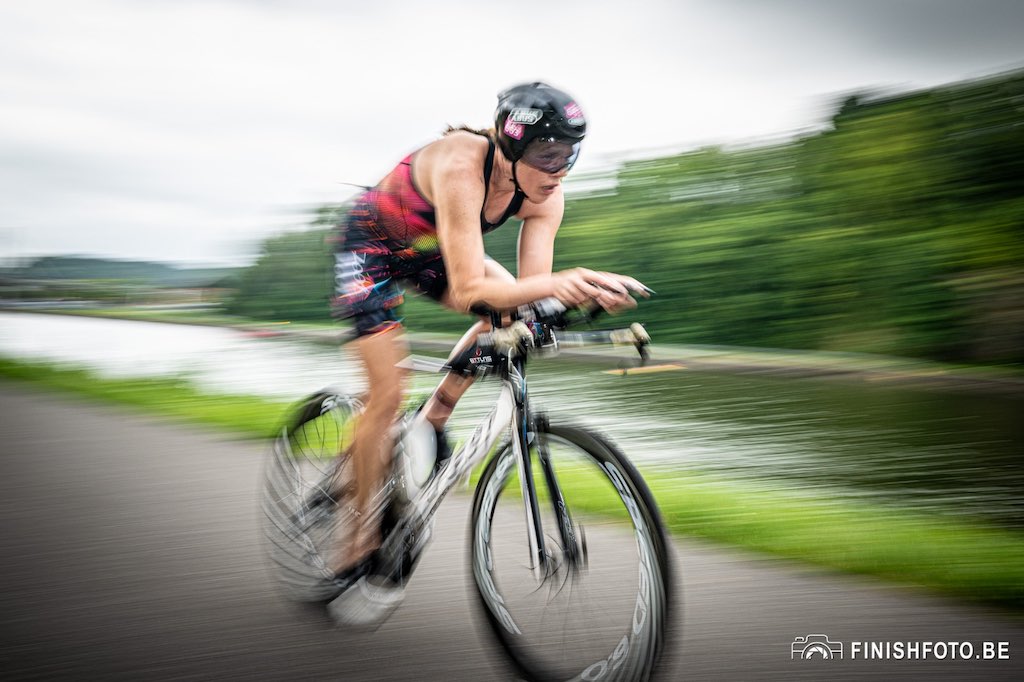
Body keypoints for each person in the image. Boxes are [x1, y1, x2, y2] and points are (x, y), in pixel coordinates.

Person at [328, 81, 647, 596]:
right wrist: (563, 282)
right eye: (547, 154)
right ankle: (357, 540)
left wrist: (566, 300)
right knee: (386, 393)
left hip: (434, 248)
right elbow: (469, 287)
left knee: (516, 317)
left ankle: (430, 421)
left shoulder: (546, 195)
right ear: (510, 146)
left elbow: (526, 296)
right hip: (372, 247)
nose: (559, 169)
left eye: (570, 154)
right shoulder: (461, 165)